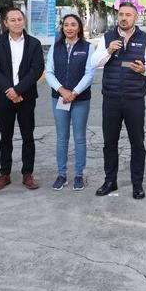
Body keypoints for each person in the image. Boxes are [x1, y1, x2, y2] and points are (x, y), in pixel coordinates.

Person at [91, 2, 146, 199]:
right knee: (109, 142)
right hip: (111, 98)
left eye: (128, 14)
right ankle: (110, 180)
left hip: (134, 99)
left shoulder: (145, 39)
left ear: (135, 17)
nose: (124, 18)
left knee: (137, 143)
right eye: (121, 14)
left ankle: (137, 184)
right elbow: (95, 63)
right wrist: (108, 51)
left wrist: (143, 69)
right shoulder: (108, 38)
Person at [0, 8, 44, 191]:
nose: (17, 22)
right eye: (12, 20)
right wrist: (9, 91)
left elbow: (36, 70)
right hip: (4, 98)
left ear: (24, 21)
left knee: (28, 135)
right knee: (6, 136)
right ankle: (5, 174)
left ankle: (27, 174)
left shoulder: (34, 44)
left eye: (20, 19)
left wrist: (18, 90)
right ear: (6, 23)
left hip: (26, 97)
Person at [45, 14, 95, 191]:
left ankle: (79, 175)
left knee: (80, 138)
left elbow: (90, 74)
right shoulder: (55, 47)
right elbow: (49, 72)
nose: (69, 28)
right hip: (59, 97)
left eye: (73, 25)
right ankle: (62, 174)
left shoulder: (87, 48)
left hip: (80, 99)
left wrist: (74, 92)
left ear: (79, 28)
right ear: (62, 27)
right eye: (66, 25)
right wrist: (62, 90)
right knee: (61, 137)